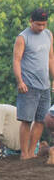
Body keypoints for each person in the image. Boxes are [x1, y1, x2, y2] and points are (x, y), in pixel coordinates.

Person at [14, 8, 53, 160]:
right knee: (26, 120)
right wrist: (20, 81)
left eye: (43, 24)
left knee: (41, 120)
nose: (41, 27)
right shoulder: (23, 38)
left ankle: (32, 152)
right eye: (38, 24)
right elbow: (16, 60)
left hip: (45, 85)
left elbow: (51, 58)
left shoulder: (48, 35)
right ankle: (24, 153)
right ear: (31, 21)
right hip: (28, 85)